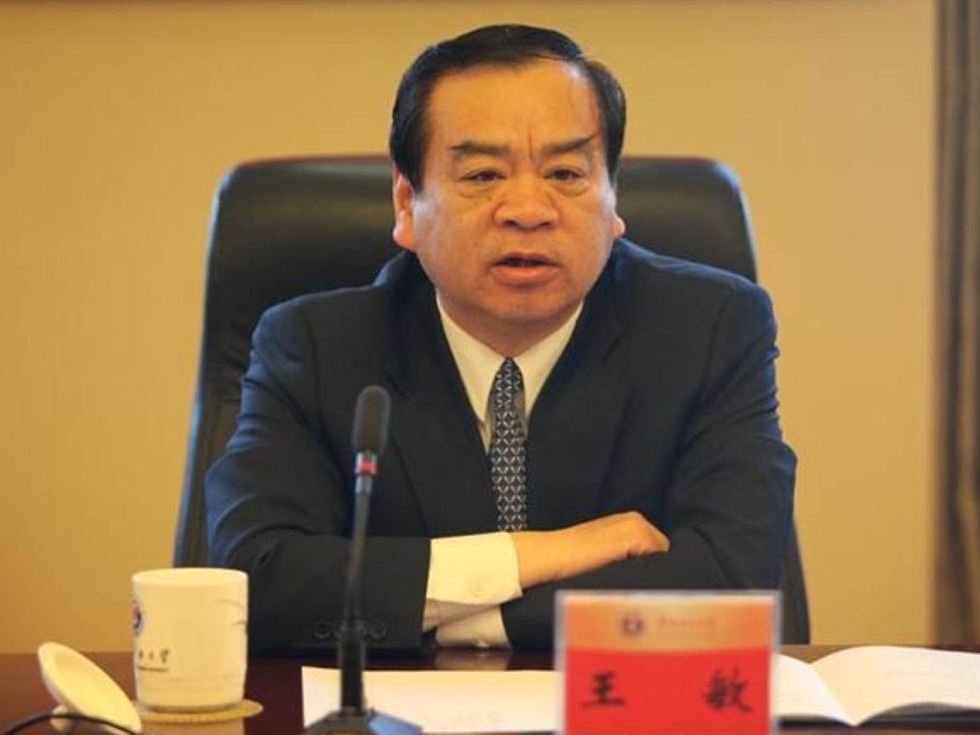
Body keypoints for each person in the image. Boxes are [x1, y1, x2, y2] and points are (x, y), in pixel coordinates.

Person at [205, 24, 796, 652]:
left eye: (565, 173)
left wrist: (449, 616)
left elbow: (731, 580)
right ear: (406, 204)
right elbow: (259, 579)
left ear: (612, 198)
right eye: (484, 175)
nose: (528, 210)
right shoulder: (316, 349)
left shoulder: (710, 328)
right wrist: (545, 553)